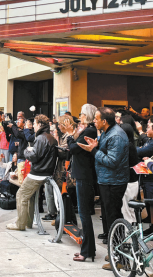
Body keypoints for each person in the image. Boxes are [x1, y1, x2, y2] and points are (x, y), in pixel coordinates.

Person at [78, 107, 129, 271]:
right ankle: (115, 251)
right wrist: (96, 145)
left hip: (114, 182)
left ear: (104, 121)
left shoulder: (116, 135)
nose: (94, 121)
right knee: (108, 218)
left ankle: (120, 258)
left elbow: (112, 161)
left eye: (96, 119)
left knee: (114, 218)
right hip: (107, 180)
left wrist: (94, 150)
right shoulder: (107, 132)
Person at [6, 114, 58, 231]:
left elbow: (34, 156)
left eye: (34, 124)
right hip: (46, 172)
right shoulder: (50, 137)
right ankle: (27, 222)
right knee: (29, 196)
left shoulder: (41, 138)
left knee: (21, 194)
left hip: (38, 173)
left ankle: (20, 224)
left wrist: (26, 151)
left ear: (39, 124)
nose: (33, 126)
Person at [68, 104, 98, 262]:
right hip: (83, 173)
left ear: (86, 115)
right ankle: (88, 249)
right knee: (83, 213)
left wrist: (69, 136)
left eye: (81, 114)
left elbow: (73, 148)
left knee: (84, 214)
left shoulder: (89, 130)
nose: (79, 116)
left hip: (85, 174)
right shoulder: (88, 130)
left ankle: (87, 251)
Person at [120, 123, 140, 224]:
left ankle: (130, 232)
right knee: (130, 209)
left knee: (127, 209)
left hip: (128, 180)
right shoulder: (131, 145)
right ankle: (133, 231)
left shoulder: (126, 146)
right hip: (133, 180)